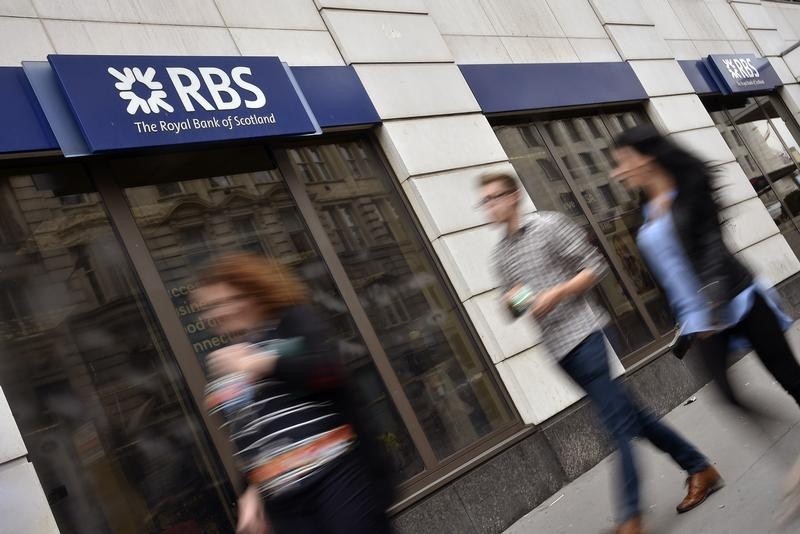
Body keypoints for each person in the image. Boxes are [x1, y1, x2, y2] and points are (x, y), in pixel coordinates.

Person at [479, 171, 721, 534]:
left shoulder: (548, 226)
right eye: (485, 201)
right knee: (632, 416)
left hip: (586, 335)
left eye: (495, 197)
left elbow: (595, 267)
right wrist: (512, 302)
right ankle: (700, 467)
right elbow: (513, 304)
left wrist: (556, 293)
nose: (490, 206)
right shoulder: (501, 253)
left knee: (617, 427)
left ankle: (630, 519)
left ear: (514, 197)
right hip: (560, 351)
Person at [194, 253, 393, 534]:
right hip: (283, 499)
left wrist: (259, 362)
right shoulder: (229, 356)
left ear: (246, 293)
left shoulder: (291, 320)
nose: (212, 314)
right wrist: (250, 492)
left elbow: (328, 372)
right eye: (206, 308)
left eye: (218, 303)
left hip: (335, 475)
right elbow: (253, 433)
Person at [611, 124, 800, 413]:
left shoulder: (689, 193)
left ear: (646, 159)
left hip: (736, 296)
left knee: (787, 374)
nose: (617, 171)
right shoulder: (646, 209)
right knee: (727, 397)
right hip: (698, 317)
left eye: (623, 161)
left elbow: (712, 247)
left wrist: (714, 304)